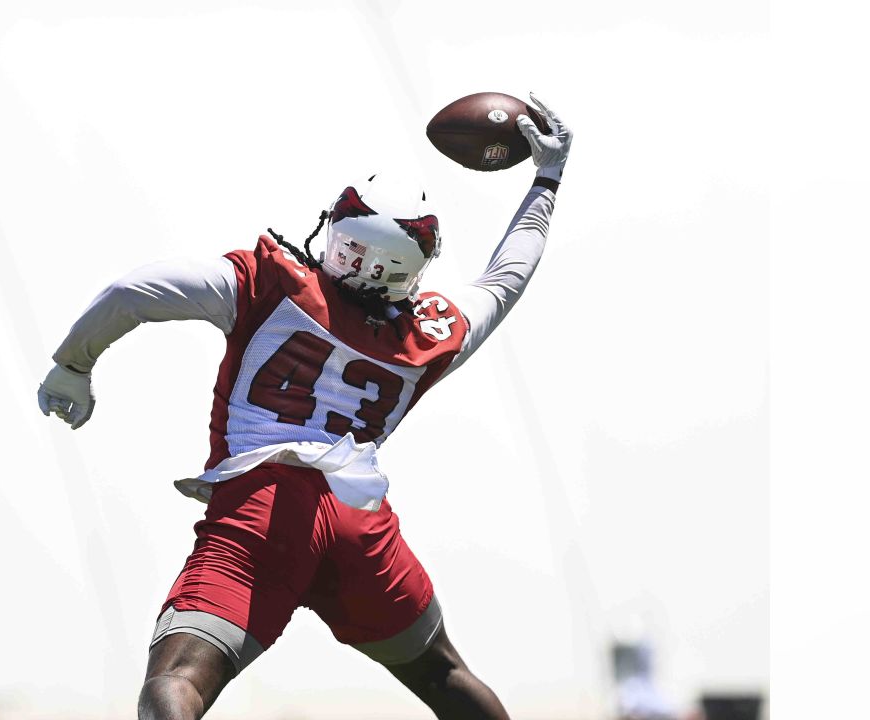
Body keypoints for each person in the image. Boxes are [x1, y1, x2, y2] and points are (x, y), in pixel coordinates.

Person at [38, 95, 572, 720]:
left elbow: (137, 290)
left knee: (177, 680)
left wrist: (73, 363)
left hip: (265, 509)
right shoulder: (427, 337)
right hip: (359, 521)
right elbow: (504, 280)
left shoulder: (270, 282)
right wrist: (546, 179)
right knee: (445, 675)